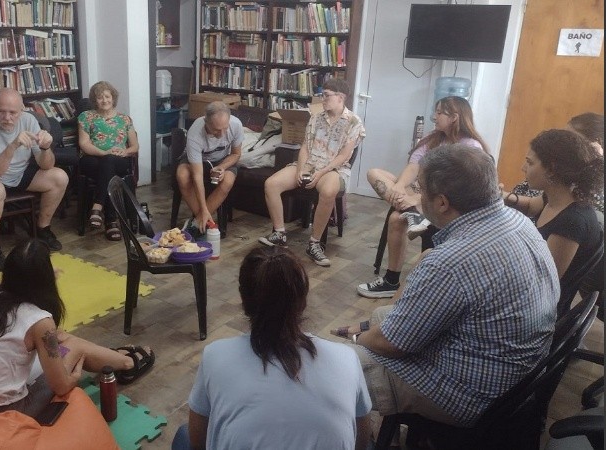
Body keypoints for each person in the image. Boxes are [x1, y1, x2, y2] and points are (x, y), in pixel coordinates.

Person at [333, 145, 558, 429]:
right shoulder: (519, 222)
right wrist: (373, 329)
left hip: (471, 395)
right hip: (516, 374)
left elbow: (393, 345)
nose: (417, 197)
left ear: (441, 203)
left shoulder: (452, 262)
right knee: (380, 319)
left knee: (337, 367)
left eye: (420, 191)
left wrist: (356, 339)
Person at [173, 246, 371, 450]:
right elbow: (361, 441)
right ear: (302, 300)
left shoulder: (215, 356)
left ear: (244, 301)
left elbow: (198, 442)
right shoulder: (346, 358)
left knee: (183, 435)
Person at [0, 238, 155, 417]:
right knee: (73, 345)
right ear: (45, 280)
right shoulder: (40, 321)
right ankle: (127, 363)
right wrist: (74, 376)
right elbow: (61, 385)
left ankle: (116, 358)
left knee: (60, 338)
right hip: (7, 411)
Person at [357, 96, 488, 297]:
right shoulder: (433, 138)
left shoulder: (469, 146)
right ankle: (412, 213)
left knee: (395, 218)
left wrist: (417, 200)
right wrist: (400, 187)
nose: (434, 117)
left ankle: (391, 280)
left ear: (454, 117)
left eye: (439, 113)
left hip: (446, 202)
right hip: (421, 193)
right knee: (373, 173)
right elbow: (414, 165)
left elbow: (454, 187)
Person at [258, 77, 365, 267]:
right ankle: (280, 233)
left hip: (334, 168)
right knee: (271, 184)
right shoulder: (316, 118)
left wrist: (321, 172)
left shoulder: (354, 122)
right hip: (310, 164)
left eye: (326, 96)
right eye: (322, 95)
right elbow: (305, 148)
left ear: (340, 97)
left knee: (329, 190)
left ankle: (314, 243)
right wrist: (300, 169)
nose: (323, 99)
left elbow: (344, 156)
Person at [0, 88, 68, 270]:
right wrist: (13, 146)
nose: (7, 117)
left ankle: (42, 229)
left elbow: (46, 166)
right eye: (1, 111)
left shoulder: (29, 120)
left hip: (18, 171)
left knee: (59, 177)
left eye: (12, 112)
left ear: (22, 110)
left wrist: (46, 148)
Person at [502, 129, 603, 314]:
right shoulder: (556, 197)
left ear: (552, 169)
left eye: (530, 163)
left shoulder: (572, 222)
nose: (523, 168)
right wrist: (498, 196)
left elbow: (543, 282)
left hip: (539, 311)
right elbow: (530, 205)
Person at [77, 81, 139, 241]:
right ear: (94, 100)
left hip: (119, 160)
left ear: (113, 98)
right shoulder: (86, 117)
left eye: (107, 96)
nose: (104, 100)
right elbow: (83, 144)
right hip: (91, 159)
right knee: (108, 164)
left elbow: (135, 146)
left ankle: (97, 207)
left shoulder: (125, 119)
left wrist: (125, 152)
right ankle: (111, 221)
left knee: (110, 162)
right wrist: (104, 153)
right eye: (99, 97)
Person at [511, 112, 604, 213]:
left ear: (597, 144)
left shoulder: (587, 191)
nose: (563, 143)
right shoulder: (557, 175)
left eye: (571, 139)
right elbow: (532, 205)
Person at [176, 101, 243, 234]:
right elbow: (197, 176)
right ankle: (204, 219)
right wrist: (204, 209)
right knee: (182, 175)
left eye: (225, 128)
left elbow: (236, 154)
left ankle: (197, 222)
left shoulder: (236, 125)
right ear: (206, 122)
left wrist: (222, 167)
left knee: (228, 180)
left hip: (223, 160)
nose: (222, 134)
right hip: (199, 160)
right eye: (216, 130)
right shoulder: (195, 133)